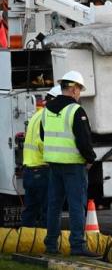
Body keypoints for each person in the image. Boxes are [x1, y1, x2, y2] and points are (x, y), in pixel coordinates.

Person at [41, 71, 97, 257]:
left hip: (54, 165)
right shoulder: (75, 110)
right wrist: (90, 159)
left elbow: (44, 135)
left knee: (54, 206)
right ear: (73, 89)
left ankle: (51, 244)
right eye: (79, 89)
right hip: (73, 166)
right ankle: (77, 246)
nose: (79, 93)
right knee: (76, 205)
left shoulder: (47, 109)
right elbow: (84, 140)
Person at [20, 85, 61, 227]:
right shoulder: (48, 117)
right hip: (42, 171)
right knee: (48, 211)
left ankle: (25, 242)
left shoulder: (37, 115)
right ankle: (46, 244)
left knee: (30, 210)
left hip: (30, 170)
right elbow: (43, 143)